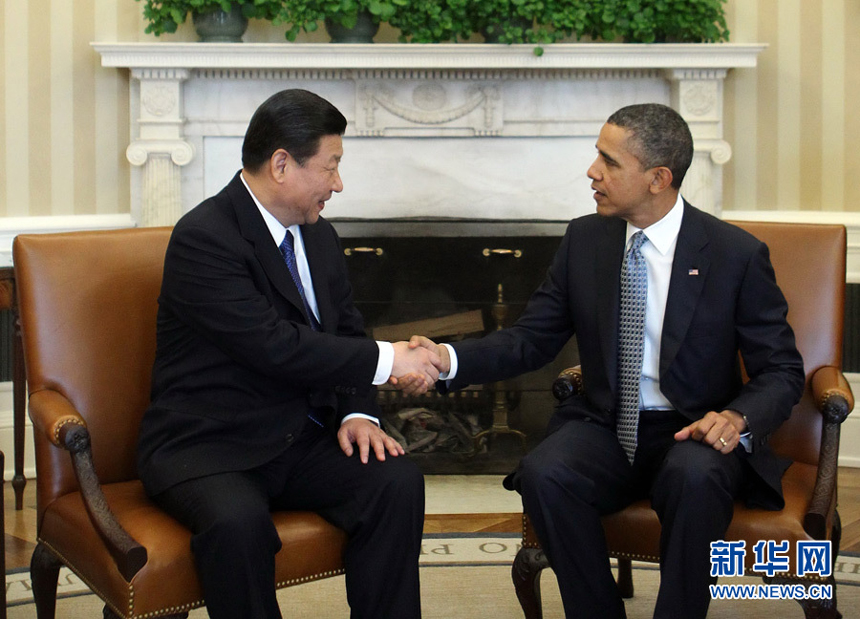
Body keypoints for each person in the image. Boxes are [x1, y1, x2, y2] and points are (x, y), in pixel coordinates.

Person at [403, 103, 805, 618]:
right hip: (608, 426)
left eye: (609, 161)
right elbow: (532, 338)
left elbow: (782, 370)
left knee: (696, 477)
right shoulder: (585, 240)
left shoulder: (734, 255)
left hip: (691, 430)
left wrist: (736, 418)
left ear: (659, 178)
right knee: (545, 471)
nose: (592, 171)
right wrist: (447, 358)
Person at [137, 88, 442, 619]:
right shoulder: (205, 238)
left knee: (394, 481)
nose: (339, 184)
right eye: (332, 167)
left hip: (296, 439)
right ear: (282, 164)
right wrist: (392, 360)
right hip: (210, 446)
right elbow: (274, 347)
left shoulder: (318, 236)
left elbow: (346, 330)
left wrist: (357, 410)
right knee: (238, 525)